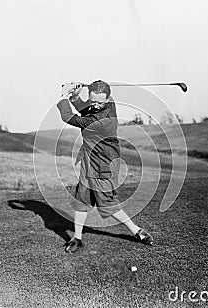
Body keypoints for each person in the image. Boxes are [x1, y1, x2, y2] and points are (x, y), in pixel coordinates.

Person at [56, 80, 154, 253]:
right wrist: (77, 96)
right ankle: (77, 238)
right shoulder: (105, 105)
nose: (95, 105)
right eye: (92, 100)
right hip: (89, 160)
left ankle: (136, 231)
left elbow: (68, 116)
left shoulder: (100, 121)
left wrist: (65, 96)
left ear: (108, 99)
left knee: (107, 203)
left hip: (104, 164)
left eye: (100, 101)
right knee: (81, 199)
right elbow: (88, 108)